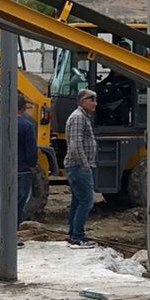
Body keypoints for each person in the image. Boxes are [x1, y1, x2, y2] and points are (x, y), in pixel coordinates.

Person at [0, 97, 37, 245]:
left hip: (1, 172)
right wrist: (32, 166)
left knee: (0, 205)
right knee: (17, 206)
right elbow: (31, 152)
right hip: (21, 172)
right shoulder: (27, 126)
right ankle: (10, 238)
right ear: (24, 108)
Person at [63, 87, 98, 248]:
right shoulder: (78, 118)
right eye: (91, 99)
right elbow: (76, 144)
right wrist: (84, 164)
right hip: (78, 166)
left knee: (77, 201)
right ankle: (78, 236)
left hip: (78, 165)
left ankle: (73, 234)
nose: (95, 103)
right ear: (82, 101)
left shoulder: (83, 117)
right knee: (87, 200)